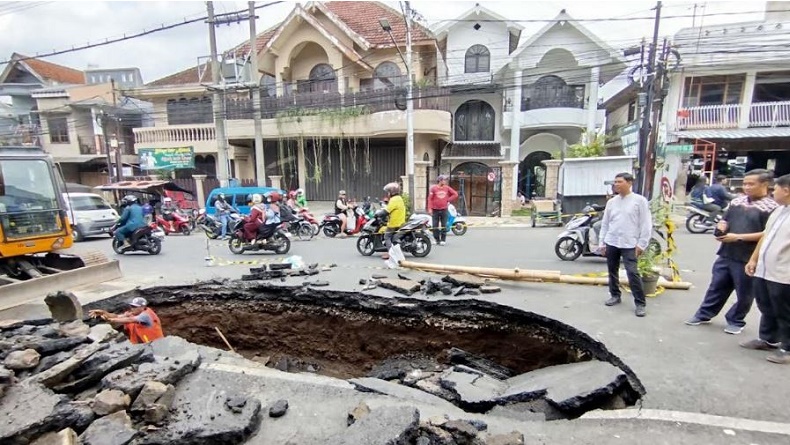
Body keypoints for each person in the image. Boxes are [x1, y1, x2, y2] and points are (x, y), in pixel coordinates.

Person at [686, 169, 779, 334]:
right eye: (745, 183)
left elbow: (768, 233)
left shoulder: (772, 207)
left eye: (751, 184)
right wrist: (722, 225)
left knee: (744, 292)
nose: (747, 187)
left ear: (765, 185)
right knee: (716, 286)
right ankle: (704, 314)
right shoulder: (737, 201)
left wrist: (738, 237)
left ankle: (736, 320)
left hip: (748, 256)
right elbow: (725, 218)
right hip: (726, 252)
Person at [742, 173, 790, 364]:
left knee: (784, 311)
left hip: (783, 273)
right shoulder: (779, 211)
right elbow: (765, 236)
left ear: (786, 191)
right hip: (765, 269)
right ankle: (768, 339)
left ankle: (786, 348)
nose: (773, 192)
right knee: (765, 305)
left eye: (775, 189)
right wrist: (753, 259)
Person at [598, 172, 653, 317]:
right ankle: (615, 295)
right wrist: (602, 243)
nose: (616, 184)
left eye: (619, 182)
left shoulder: (639, 201)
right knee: (612, 270)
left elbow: (646, 224)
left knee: (632, 273)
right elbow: (605, 223)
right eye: (615, 182)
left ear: (629, 183)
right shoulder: (612, 202)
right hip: (612, 241)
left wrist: (642, 244)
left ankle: (640, 303)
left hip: (630, 243)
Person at [88, 297, 164, 344]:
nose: (132, 308)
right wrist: (104, 312)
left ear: (143, 307)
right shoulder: (132, 313)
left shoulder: (146, 315)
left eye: (135, 307)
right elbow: (118, 316)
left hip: (155, 344)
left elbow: (130, 320)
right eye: (132, 306)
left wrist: (111, 320)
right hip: (140, 345)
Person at [427, 175, 458, 246]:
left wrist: (448, 200)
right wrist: (429, 208)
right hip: (435, 210)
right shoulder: (433, 189)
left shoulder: (447, 188)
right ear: (440, 181)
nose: (445, 181)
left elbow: (455, 194)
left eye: (445, 180)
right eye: (444, 180)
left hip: (444, 209)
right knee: (435, 225)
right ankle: (437, 239)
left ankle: (443, 240)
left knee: (444, 225)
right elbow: (430, 199)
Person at [381, 182, 406, 260]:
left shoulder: (394, 200)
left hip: (394, 223)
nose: (387, 194)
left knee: (387, 236)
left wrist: (380, 214)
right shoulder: (399, 198)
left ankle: (390, 253)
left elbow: (387, 211)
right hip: (400, 221)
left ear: (391, 192)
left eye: (388, 192)